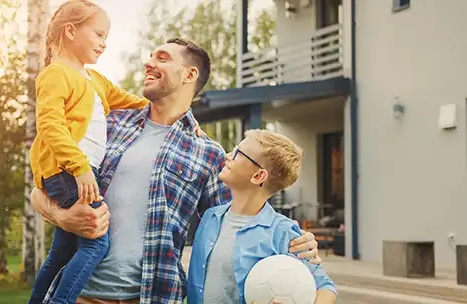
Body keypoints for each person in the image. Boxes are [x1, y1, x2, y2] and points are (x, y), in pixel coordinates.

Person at [30, 37, 323, 304]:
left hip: (150, 297)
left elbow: (238, 225)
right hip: (79, 295)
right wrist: (61, 216)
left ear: (189, 74)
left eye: (162, 58)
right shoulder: (108, 124)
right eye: (150, 56)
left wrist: (292, 241)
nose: (149, 63)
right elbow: (41, 184)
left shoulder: (207, 154)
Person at [28, 1, 149, 303]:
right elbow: (50, 126)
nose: (104, 43)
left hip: (80, 171)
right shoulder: (55, 74)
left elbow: (134, 102)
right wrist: (80, 167)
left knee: (61, 254)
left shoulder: (95, 80)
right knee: (95, 244)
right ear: (71, 31)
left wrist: (183, 114)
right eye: (98, 34)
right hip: (68, 171)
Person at [187, 130, 337, 304]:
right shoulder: (209, 218)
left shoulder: (283, 233)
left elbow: (326, 287)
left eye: (237, 153)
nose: (227, 156)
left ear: (258, 176)